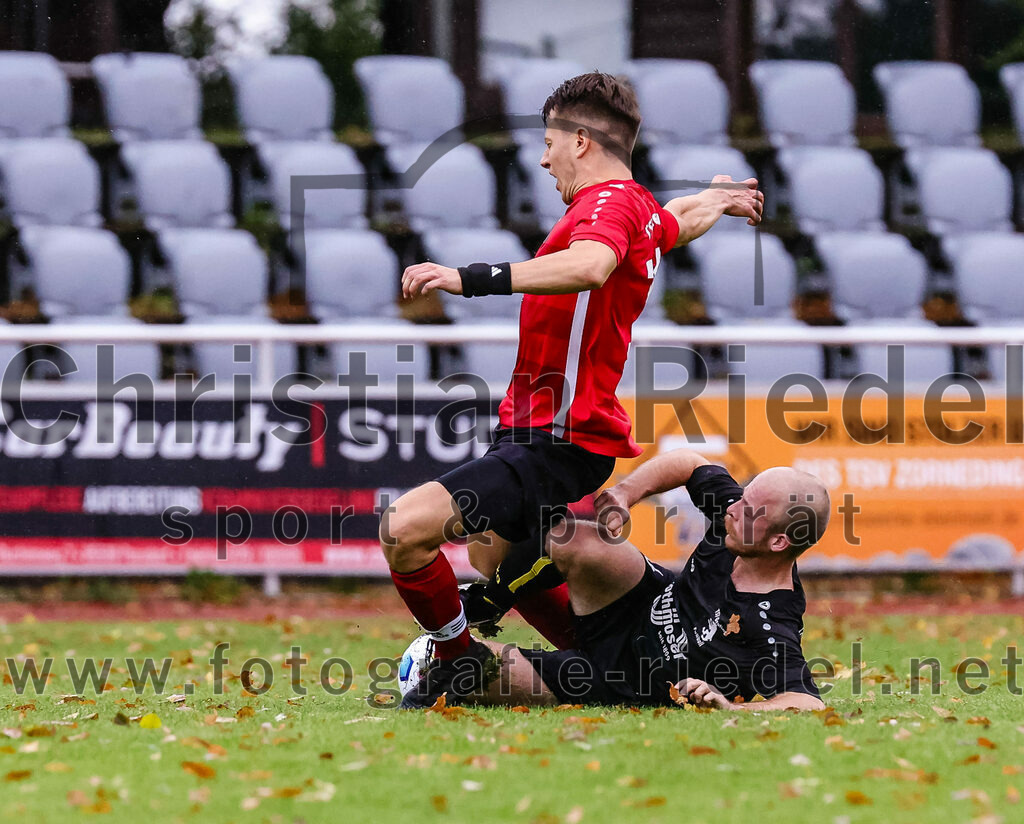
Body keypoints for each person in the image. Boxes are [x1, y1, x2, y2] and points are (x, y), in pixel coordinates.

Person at [380, 72, 765, 710]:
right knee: (496, 561)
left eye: (550, 142)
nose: (542, 157)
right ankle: (609, 671)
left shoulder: (606, 209)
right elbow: (674, 223)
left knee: (404, 530)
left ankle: (457, 660)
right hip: (540, 431)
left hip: (558, 437)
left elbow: (590, 265)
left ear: (581, 141)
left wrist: (466, 277)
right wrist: (716, 200)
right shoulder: (635, 207)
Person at [464, 451, 830, 710]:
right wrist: (627, 493)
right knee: (565, 538)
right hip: (639, 604)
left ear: (779, 542)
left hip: (630, 681)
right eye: (741, 498)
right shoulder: (736, 521)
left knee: (460, 667)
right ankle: (490, 600)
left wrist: (730, 710)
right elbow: (690, 464)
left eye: (747, 509)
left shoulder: (770, 621)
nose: (732, 508)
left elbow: (805, 701)